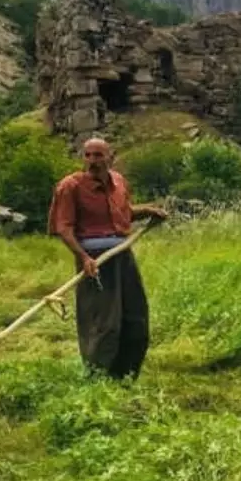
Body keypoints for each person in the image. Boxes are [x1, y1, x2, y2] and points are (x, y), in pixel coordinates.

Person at [48, 137, 168, 380]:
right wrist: (83, 258)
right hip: (95, 261)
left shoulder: (119, 182)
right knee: (103, 322)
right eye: (88, 155)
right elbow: (64, 227)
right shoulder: (70, 186)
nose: (93, 161)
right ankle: (98, 376)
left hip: (123, 255)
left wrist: (147, 211)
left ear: (110, 156)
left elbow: (123, 215)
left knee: (135, 316)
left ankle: (126, 375)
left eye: (98, 155)